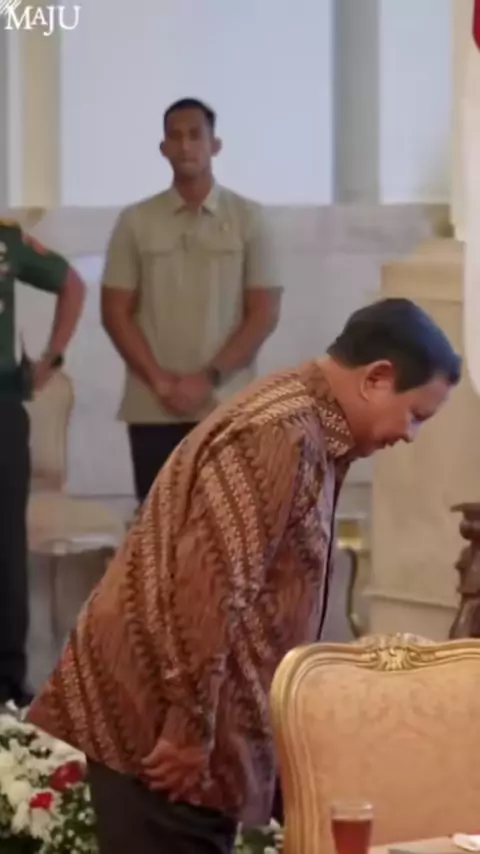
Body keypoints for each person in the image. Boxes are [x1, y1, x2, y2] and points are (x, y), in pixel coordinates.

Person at [27, 298, 460, 854]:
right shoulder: (279, 433)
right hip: (162, 733)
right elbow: (208, 588)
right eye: (416, 414)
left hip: (192, 730)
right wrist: (188, 730)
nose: (410, 435)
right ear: (376, 378)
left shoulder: (307, 423)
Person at [101, 97, 281, 503]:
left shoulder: (249, 218)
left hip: (227, 408)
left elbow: (263, 313)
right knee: (160, 529)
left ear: (215, 145)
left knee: (228, 527)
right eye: (175, 137)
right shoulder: (136, 221)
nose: (185, 146)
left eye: (195, 135)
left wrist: (208, 379)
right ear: (163, 148)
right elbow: (115, 312)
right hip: (153, 407)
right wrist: (160, 381)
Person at [0, 219, 85, 709]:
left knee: (5, 549)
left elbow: (70, 282)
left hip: (0, 408)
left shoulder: (6, 240)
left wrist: (51, 359)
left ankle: (7, 681)